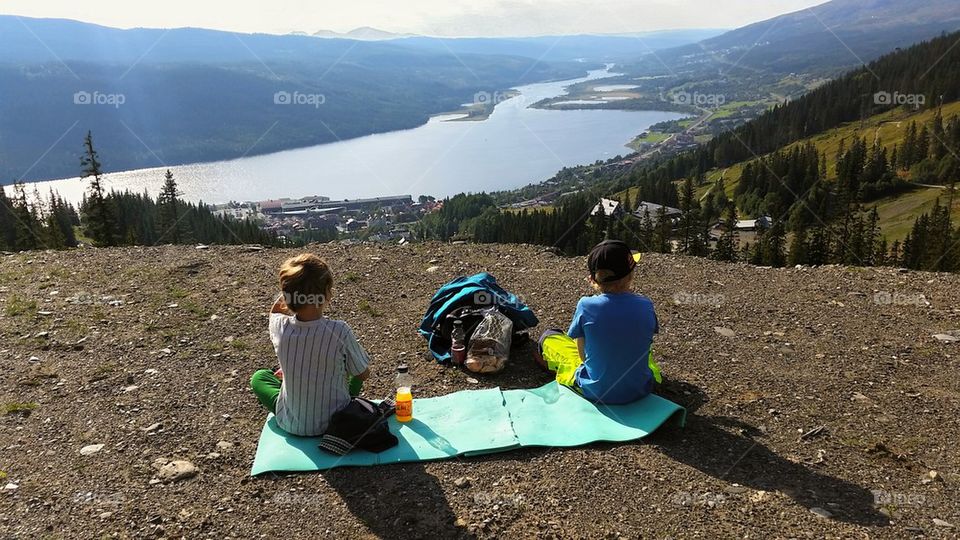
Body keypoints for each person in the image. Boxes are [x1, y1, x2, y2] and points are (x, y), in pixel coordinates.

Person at [249, 254, 371, 436]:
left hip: (291, 424)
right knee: (356, 368)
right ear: (327, 294)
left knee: (259, 377)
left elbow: (274, 311)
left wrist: (291, 293)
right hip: (337, 422)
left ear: (286, 295)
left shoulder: (279, 326)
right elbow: (363, 374)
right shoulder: (339, 331)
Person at [535, 240, 662, 404]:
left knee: (550, 336)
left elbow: (582, 356)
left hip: (596, 391)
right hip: (640, 389)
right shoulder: (646, 305)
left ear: (593, 279)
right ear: (631, 274)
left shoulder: (586, 305)